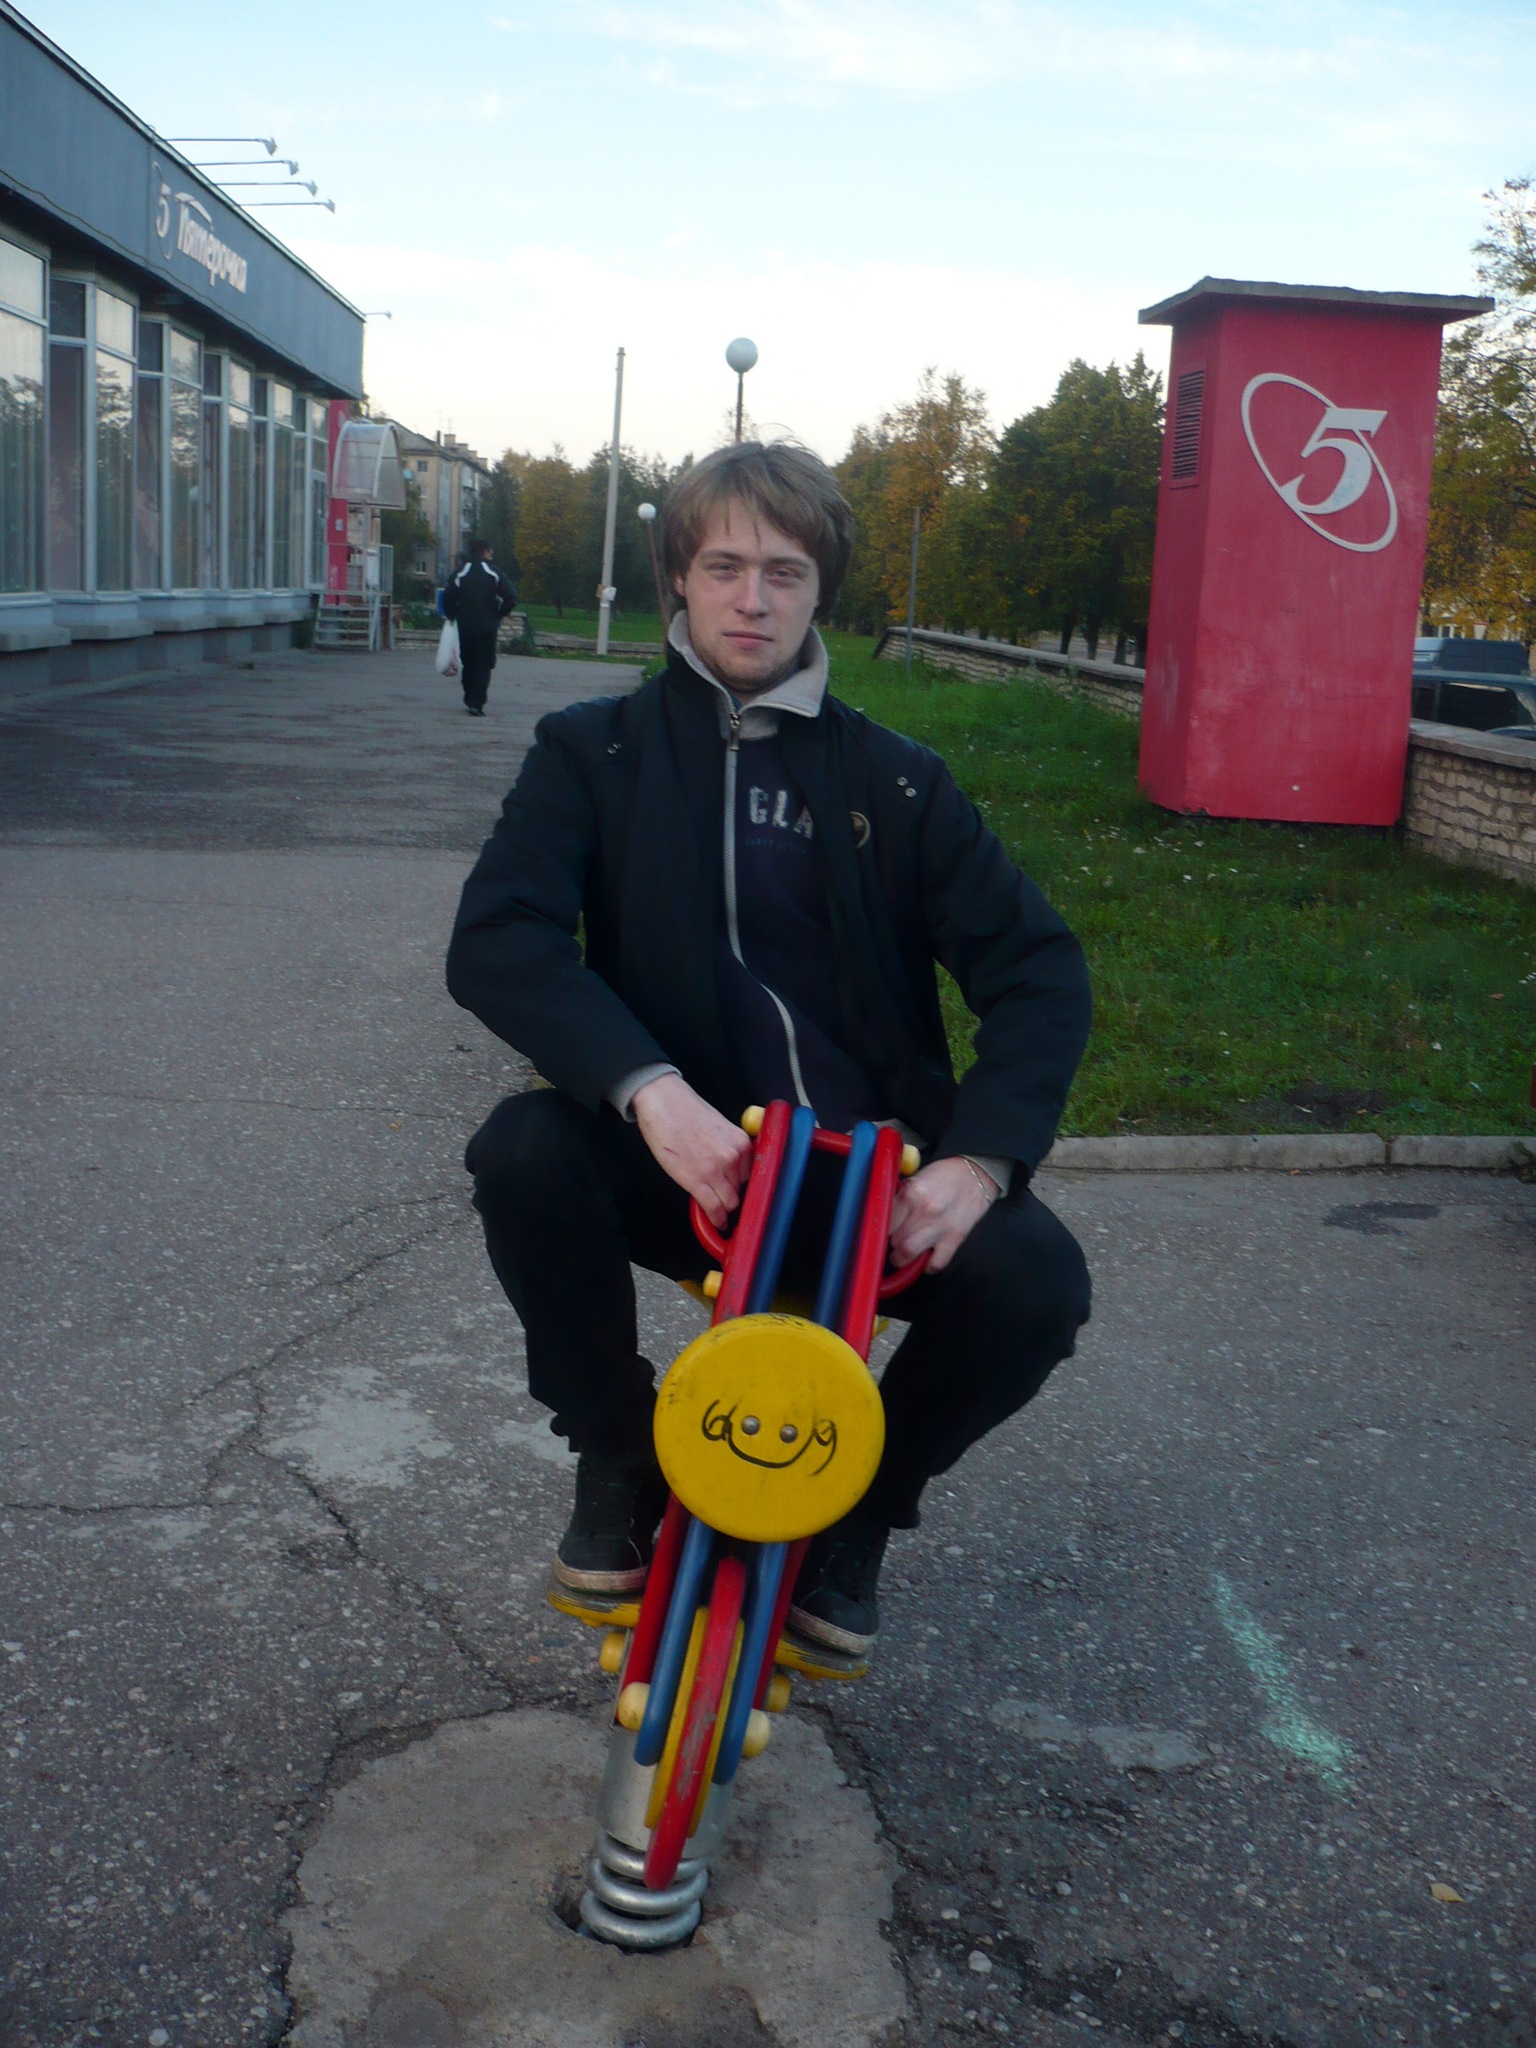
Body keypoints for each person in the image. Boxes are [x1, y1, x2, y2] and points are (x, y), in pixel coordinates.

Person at [446, 441, 1092, 1659]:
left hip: (871, 1184)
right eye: (725, 566)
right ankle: (620, 1454)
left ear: (818, 589)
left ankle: (860, 1510)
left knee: (1040, 1282)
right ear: (679, 579)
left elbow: (1041, 971)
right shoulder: (595, 752)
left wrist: (979, 1161)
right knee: (522, 1151)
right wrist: (649, 1092)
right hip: (690, 1167)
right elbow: (499, 937)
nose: (754, 598)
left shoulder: (899, 784)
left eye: (785, 572)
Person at [442, 539, 517, 716]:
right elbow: (511, 596)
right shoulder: (493, 572)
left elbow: (448, 596)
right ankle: (477, 703)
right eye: (490, 551)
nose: (492, 555)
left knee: (468, 662)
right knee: (484, 664)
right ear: (485, 552)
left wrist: (453, 615)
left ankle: (469, 697)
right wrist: (499, 613)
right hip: (488, 627)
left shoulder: (461, 572)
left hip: (466, 625)